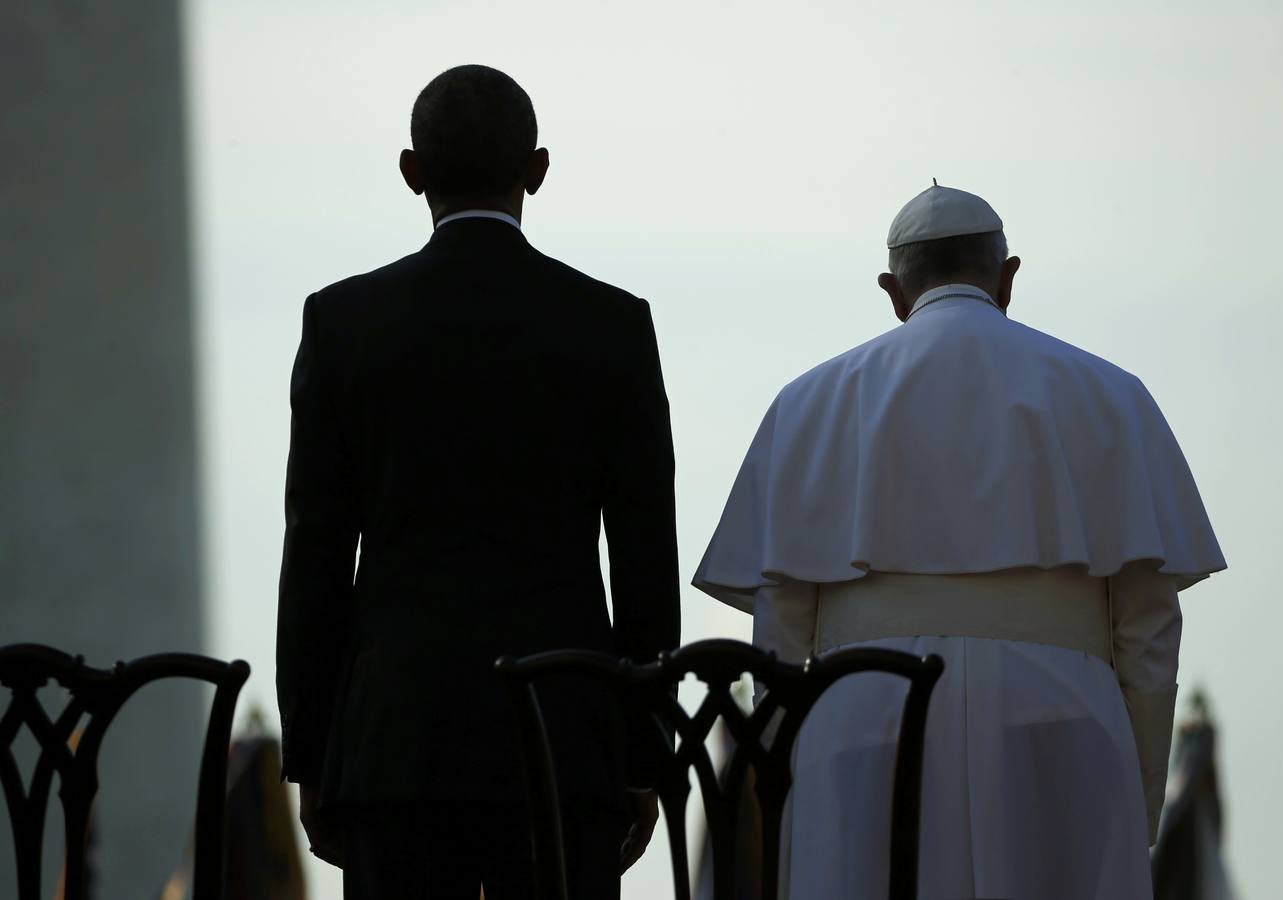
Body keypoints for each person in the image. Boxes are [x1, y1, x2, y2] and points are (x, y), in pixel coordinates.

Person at [693, 183, 1225, 899]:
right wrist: (1137, 793)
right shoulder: (1110, 394)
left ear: (891, 290)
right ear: (1008, 277)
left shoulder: (808, 402)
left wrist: (780, 777)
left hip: (860, 713)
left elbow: (779, 632)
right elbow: (1150, 627)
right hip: (1061, 712)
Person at [275, 64, 680, 899]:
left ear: (412, 172)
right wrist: (641, 751)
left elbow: (315, 551)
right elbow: (644, 552)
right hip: (565, 730)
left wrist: (315, 752)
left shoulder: (344, 321)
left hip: (398, 741)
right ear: (536, 169)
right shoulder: (610, 322)